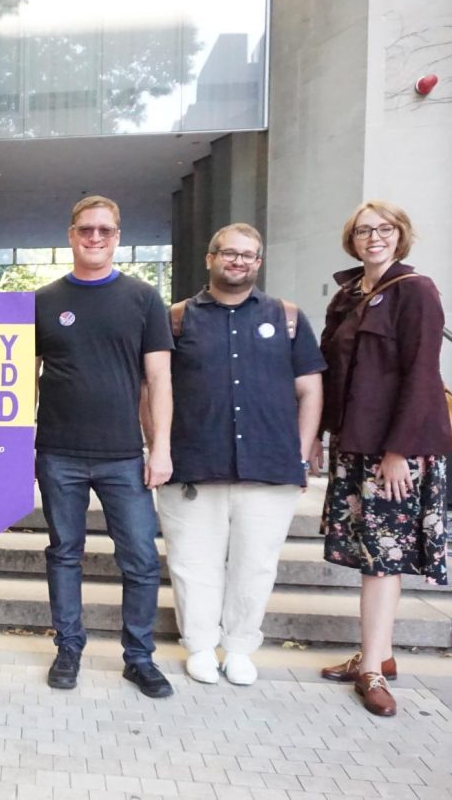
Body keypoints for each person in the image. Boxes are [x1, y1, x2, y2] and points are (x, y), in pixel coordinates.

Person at [156, 224, 324, 686]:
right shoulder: (177, 318)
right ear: (210, 259)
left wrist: (301, 449)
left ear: (259, 263)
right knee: (193, 565)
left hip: (269, 465)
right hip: (192, 464)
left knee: (256, 565)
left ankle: (241, 646)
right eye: (229, 253)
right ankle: (200, 646)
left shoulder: (287, 316)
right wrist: (159, 447)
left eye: (248, 255)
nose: (238, 261)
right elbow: (151, 388)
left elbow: (310, 389)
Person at [313, 200, 451, 717]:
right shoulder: (348, 295)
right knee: (366, 553)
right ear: (351, 239)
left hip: (395, 449)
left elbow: (422, 374)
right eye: (364, 230)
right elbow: (331, 372)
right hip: (354, 445)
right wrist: (320, 435)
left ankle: (371, 667)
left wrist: (399, 451)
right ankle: (379, 654)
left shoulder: (415, 291)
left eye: (384, 229)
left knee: (382, 560)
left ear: (400, 236)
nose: (374, 237)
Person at [34, 195, 175, 697]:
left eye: (105, 231)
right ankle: (68, 648)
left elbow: (159, 380)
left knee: (139, 558)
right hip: (58, 453)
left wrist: (160, 449)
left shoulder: (143, 298)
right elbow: (21, 380)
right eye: (86, 229)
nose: (95, 238)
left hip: (122, 455)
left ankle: (139, 658)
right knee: (64, 554)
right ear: (71, 235)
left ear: (118, 236)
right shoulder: (43, 301)